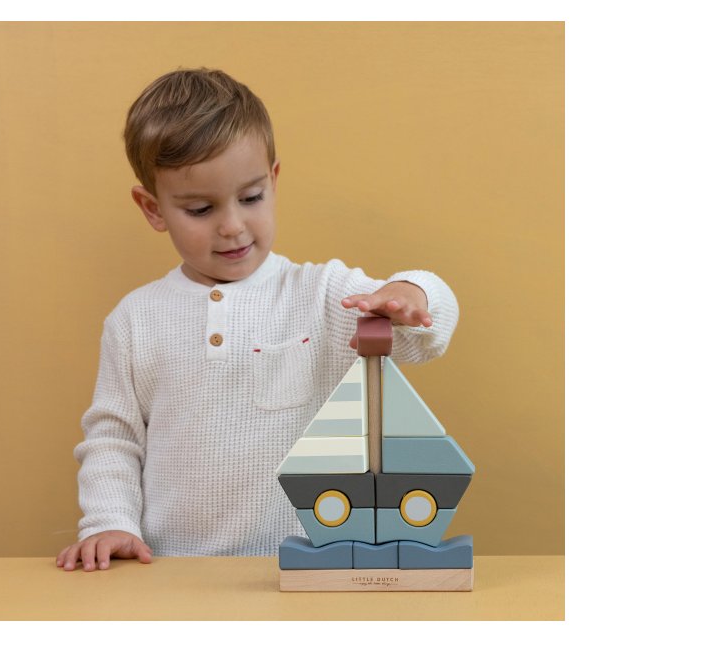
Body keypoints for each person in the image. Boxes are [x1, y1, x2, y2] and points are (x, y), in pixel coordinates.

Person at [56, 68, 459, 571]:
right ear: (153, 208)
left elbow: (425, 336)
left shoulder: (321, 294)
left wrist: (409, 294)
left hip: (306, 568)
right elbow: (114, 438)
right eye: (200, 209)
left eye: (251, 198)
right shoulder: (134, 320)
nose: (232, 226)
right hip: (172, 571)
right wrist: (109, 522)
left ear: (273, 180)